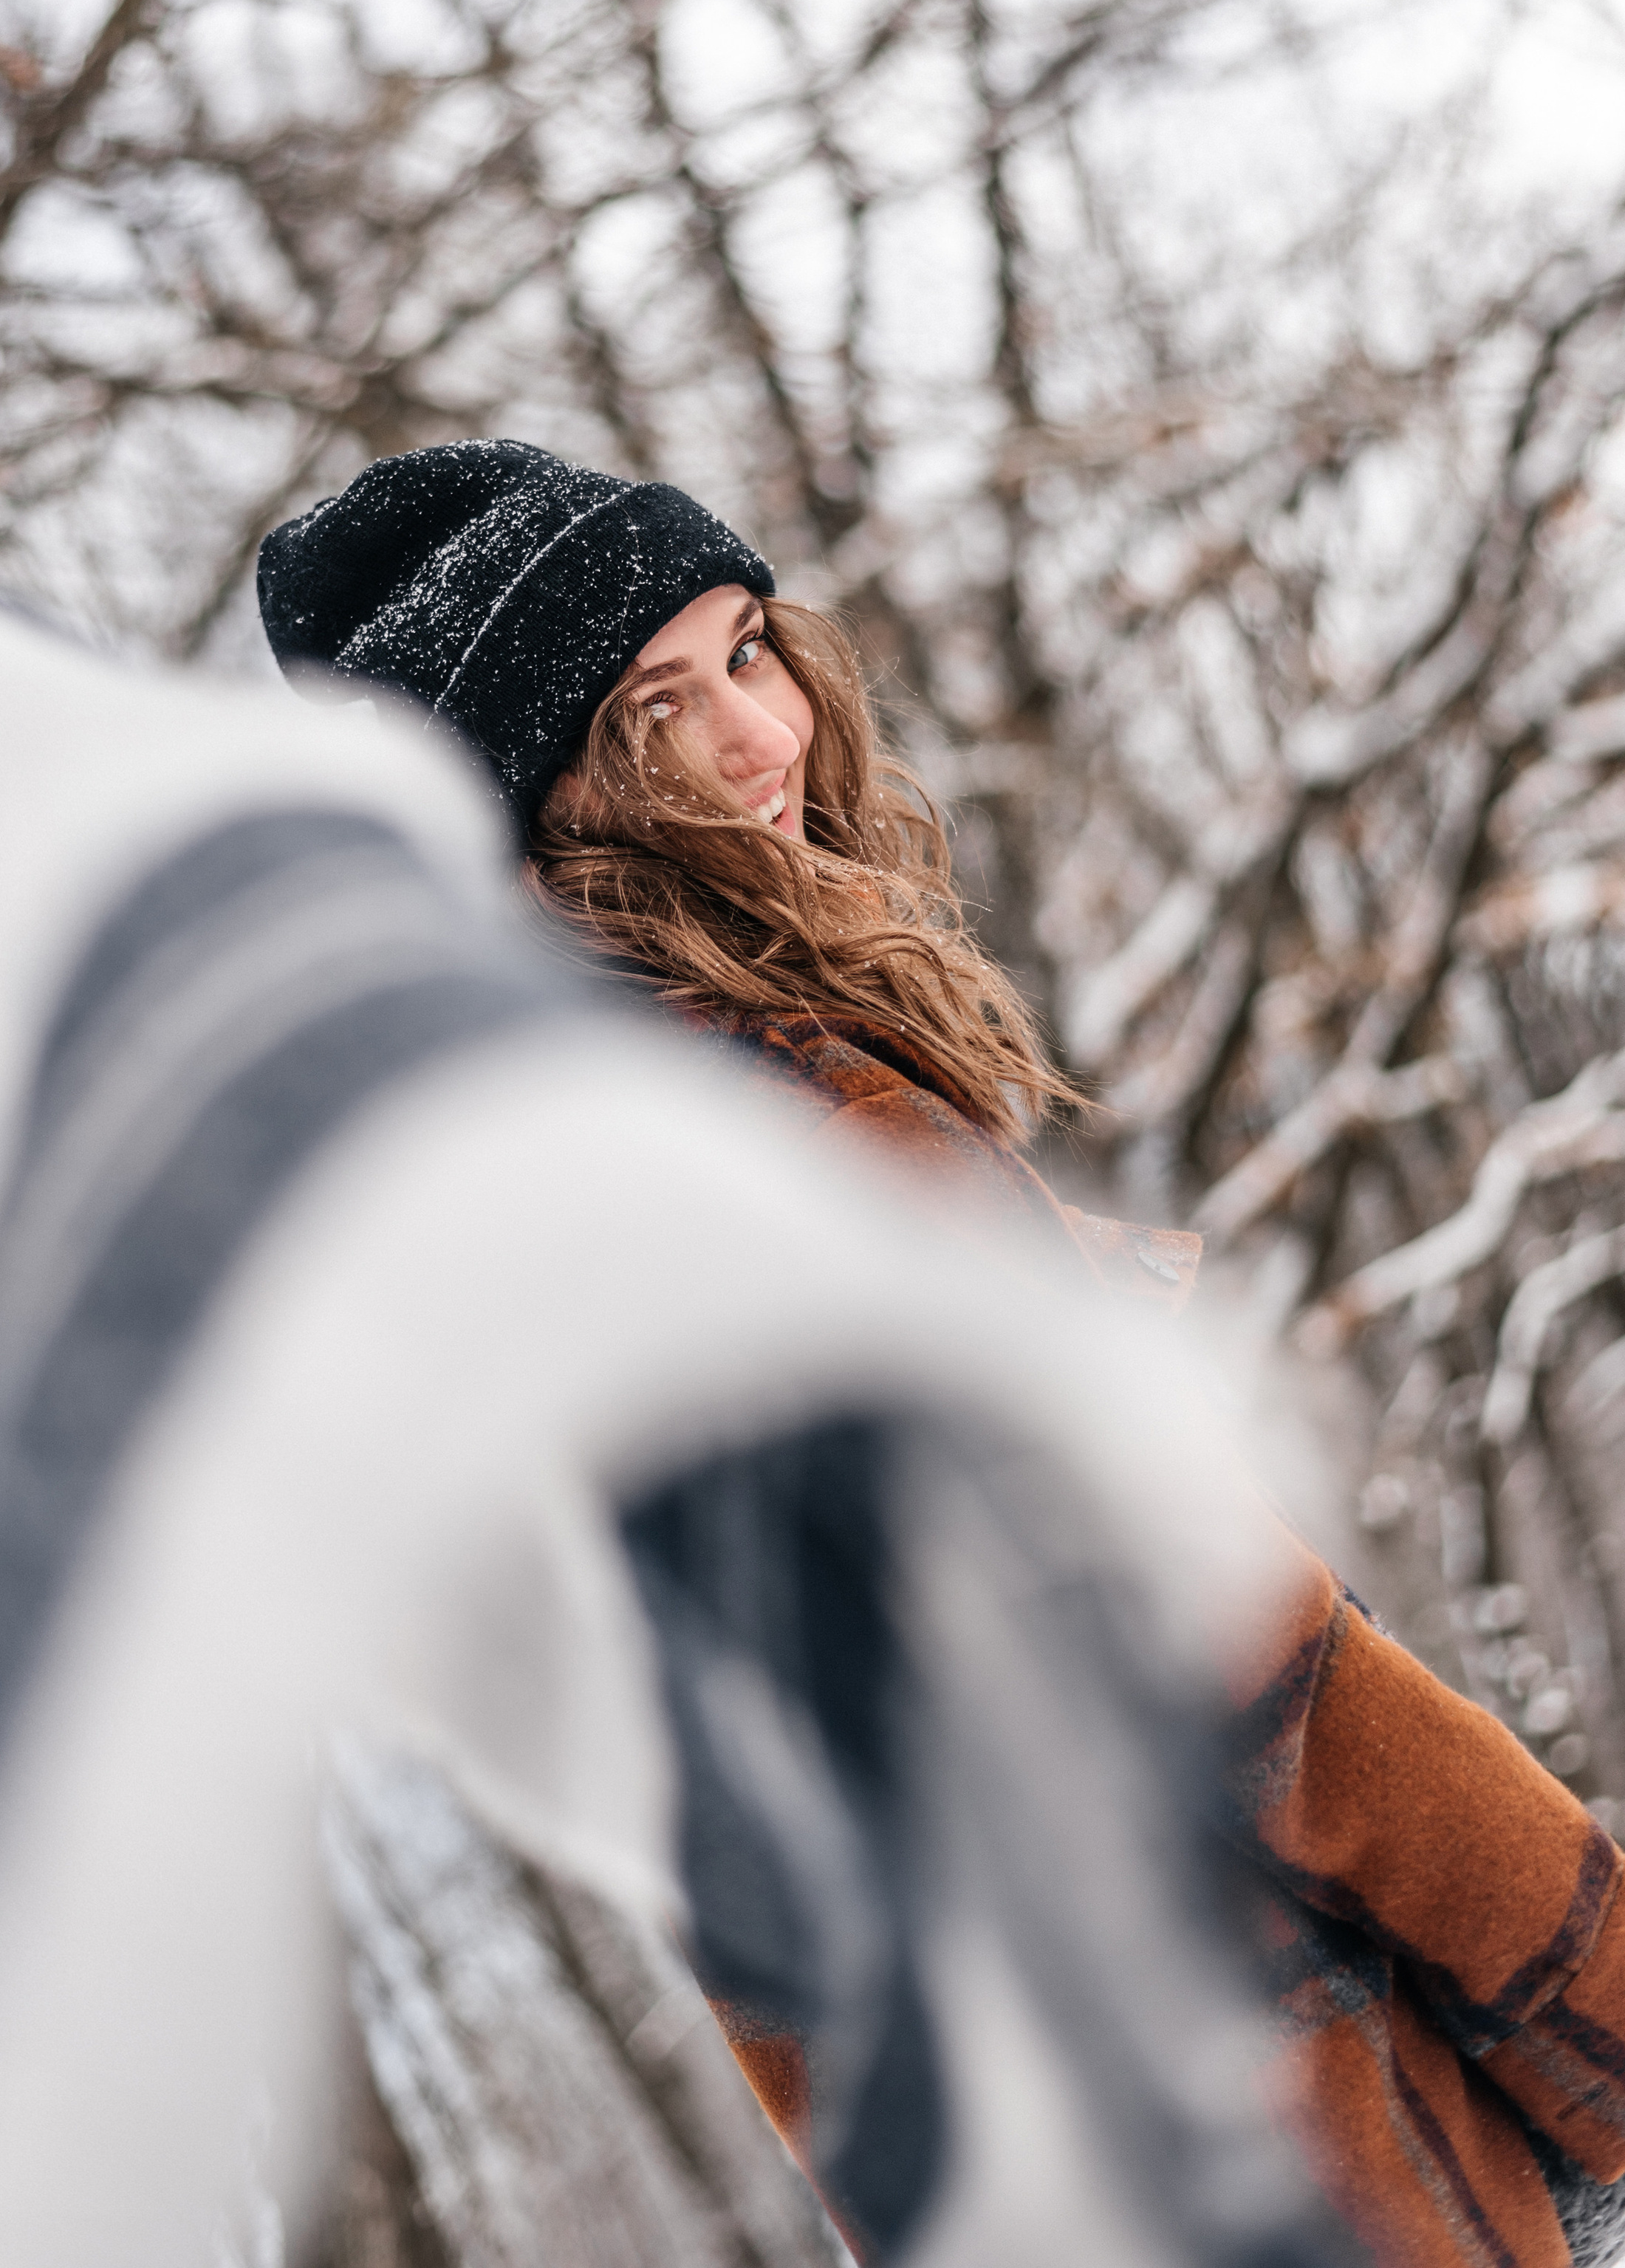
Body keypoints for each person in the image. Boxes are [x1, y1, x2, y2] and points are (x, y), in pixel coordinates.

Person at [261, 436, 1625, 2268]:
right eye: (652, 711)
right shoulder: (786, 1146)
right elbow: (1245, 1676)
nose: (760, 741)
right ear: (537, 809)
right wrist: (1598, 1996)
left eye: (746, 647)